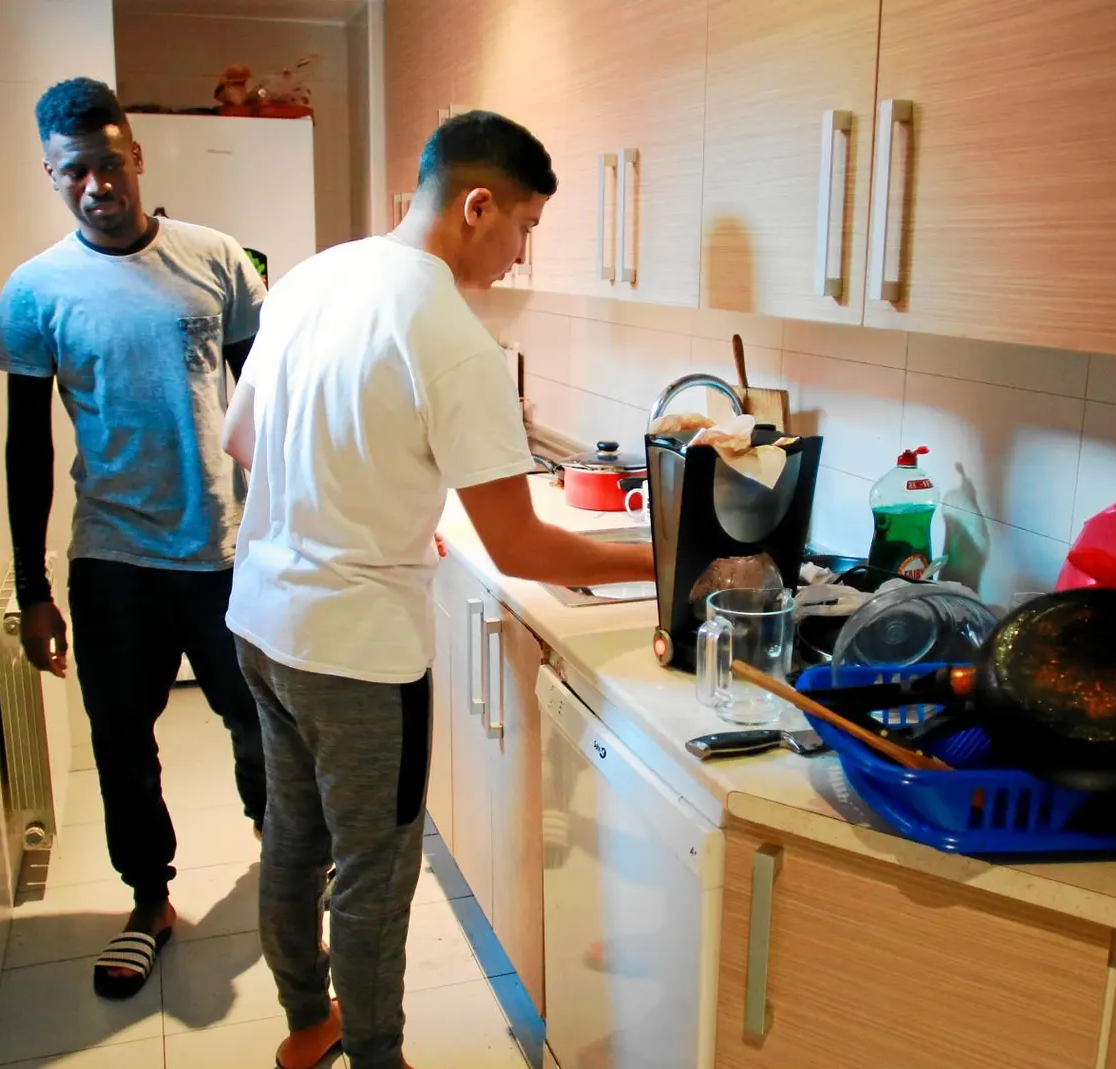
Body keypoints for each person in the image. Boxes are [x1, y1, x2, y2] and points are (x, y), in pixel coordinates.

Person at [222, 111, 656, 1069]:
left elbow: (244, 442)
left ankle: (308, 1022)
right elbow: (524, 548)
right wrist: (668, 569)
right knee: (375, 872)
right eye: (525, 228)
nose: (520, 252)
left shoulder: (309, 276)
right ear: (477, 206)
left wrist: (356, 500)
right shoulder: (449, 333)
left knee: (293, 835)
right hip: (357, 655)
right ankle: (380, 1058)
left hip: (259, 621)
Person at [0, 76, 269, 1000]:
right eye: (76, 172)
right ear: (51, 175)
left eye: (110, 163)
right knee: (120, 742)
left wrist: (297, 531)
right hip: (112, 561)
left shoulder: (218, 260)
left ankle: (282, 862)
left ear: (137, 157)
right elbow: (28, 447)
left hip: (227, 552)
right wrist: (33, 587)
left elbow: (268, 408)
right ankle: (150, 900)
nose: (98, 185)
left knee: (262, 722)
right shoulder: (34, 292)